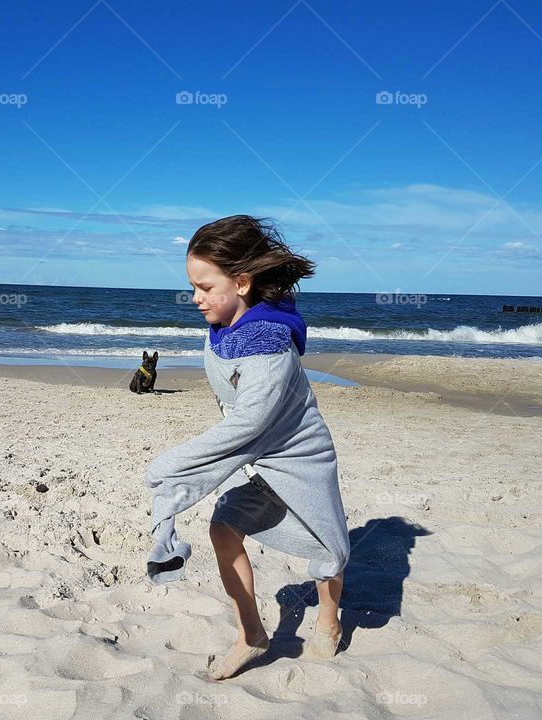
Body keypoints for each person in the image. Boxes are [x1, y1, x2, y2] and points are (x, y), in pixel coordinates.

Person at [144, 215, 351, 680]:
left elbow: (249, 420)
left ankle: (329, 620)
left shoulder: (269, 348)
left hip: (300, 457)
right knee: (224, 527)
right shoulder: (226, 324)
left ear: (242, 282)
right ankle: (252, 634)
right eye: (191, 285)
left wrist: (171, 464)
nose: (194, 298)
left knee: (329, 546)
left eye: (203, 286)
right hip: (257, 458)